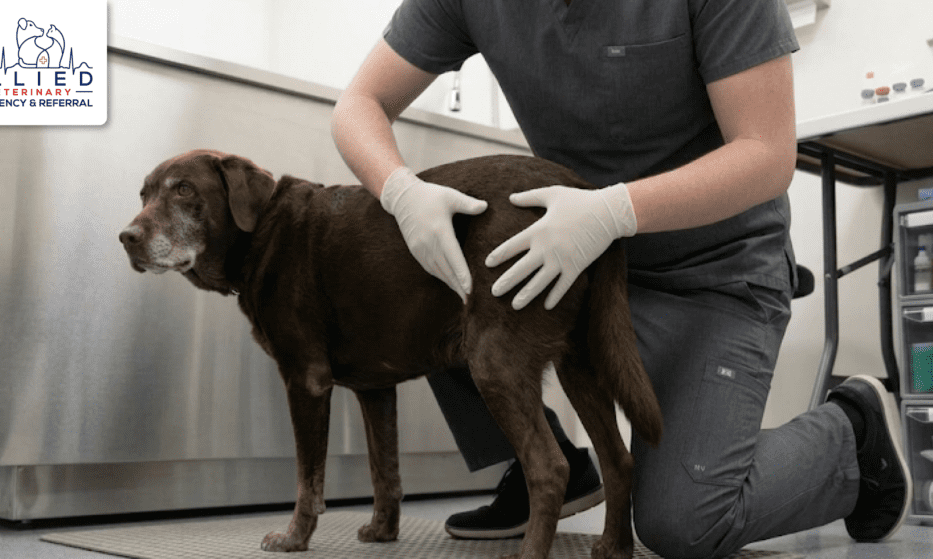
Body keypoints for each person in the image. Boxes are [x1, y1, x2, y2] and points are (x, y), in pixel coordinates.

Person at [330, 1, 912, 557]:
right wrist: (399, 191)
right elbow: (360, 102)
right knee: (423, 281)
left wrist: (614, 211)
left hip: (714, 272)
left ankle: (852, 435)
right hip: (579, 264)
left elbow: (766, 152)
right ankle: (547, 456)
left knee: (682, 522)